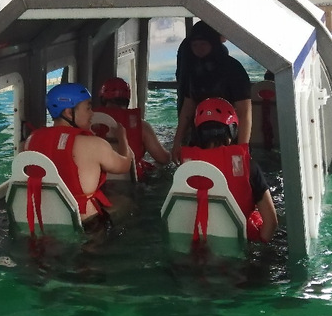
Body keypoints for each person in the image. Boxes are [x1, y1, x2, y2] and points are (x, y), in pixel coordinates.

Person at [24, 83, 134, 224]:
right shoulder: (94, 145)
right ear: (69, 112)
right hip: (86, 223)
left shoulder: (31, 140)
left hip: (40, 218)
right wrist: (122, 138)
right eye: (88, 108)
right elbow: (125, 165)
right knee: (126, 202)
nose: (92, 113)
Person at [180, 97, 278, 242]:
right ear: (232, 130)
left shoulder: (186, 167)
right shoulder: (247, 166)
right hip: (239, 245)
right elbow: (271, 222)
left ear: (198, 132)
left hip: (197, 245)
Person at [172, 20, 252, 162]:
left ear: (213, 42)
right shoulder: (193, 70)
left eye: (203, 44)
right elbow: (187, 109)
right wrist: (177, 143)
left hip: (229, 135)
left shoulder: (234, 69)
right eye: (194, 45)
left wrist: (241, 149)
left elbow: (244, 112)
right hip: (201, 134)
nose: (198, 49)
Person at [94, 77, 171, 179]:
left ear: (102, 98)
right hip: (132, 179)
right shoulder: (142, 126)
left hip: (96, 178)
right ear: (127, 99)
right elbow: (163, 159)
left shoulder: (90, 122)